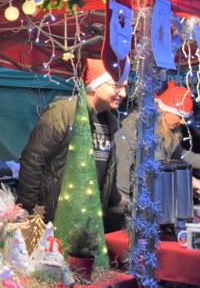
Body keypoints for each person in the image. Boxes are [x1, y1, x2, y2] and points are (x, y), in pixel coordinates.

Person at [16, 58, 127, 232]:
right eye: (116, 86)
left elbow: (106, 170)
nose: (123, 94)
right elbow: (33, 160)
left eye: (125, 87)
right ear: (95, 85)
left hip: (89, 222)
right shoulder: (62, 113)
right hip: (55, 218)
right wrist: (29, 210)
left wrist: (115, 199)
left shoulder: (109, 122)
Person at [116, 82, 200, 201]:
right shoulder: (145, 126)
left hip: (146, 194)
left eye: (185, 118)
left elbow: (182, 155)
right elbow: (157, 163)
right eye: (179, 116)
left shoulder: (170, 129)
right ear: (164, 111)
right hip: (126, 197)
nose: (182, 122)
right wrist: (190, 181)